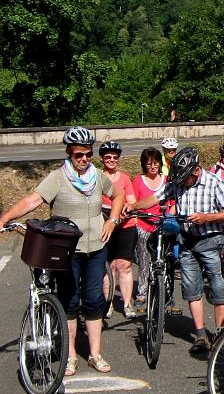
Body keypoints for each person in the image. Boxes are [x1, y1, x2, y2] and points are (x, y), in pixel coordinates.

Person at [0, 127, 125, 375]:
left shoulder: (97, 176)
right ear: (69, 153)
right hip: (68, 249)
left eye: (88, 154)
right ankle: (70, 356)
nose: (84, 159)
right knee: (70, 300)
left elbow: (118, 194)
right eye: (79, 155)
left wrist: (112, 220)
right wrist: (5, 218)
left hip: (96, 246)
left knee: (95, 300)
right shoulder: (57, 177)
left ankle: (95, 354)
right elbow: (33, 200)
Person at [131, 147, 224, 354]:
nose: (182, 183)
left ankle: (219, 334)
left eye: (186, 178)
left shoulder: (213, 182)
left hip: (212, 240)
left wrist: (207, 218)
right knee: (191, 288)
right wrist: (133, 206)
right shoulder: (178, 181)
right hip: (187, 240)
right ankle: (200, 334)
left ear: (196, 171)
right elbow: (156, 197)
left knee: (219, 288)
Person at [99, 141, 139, 319]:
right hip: (104, 226)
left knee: (124, 265)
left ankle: (127, 303)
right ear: (102, 158)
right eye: (108, 157)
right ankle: (108, 303)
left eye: (115, 157)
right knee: (108, 266)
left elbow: (131, 200)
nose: (111, 160)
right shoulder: (97, 177)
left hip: (125, 226)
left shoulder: (124, 178)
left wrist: (127, 208)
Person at [131, 147, 169, 313]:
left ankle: (165, 292)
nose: (152, 167)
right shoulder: (138, 181)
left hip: (163, 225)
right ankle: (142, 292)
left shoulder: (167, 180)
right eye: (148, 164)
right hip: (143, 225)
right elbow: (133, 204)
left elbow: (173, 203)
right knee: (143, 259)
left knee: (164, 260)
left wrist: (168, 216)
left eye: (155, 163)